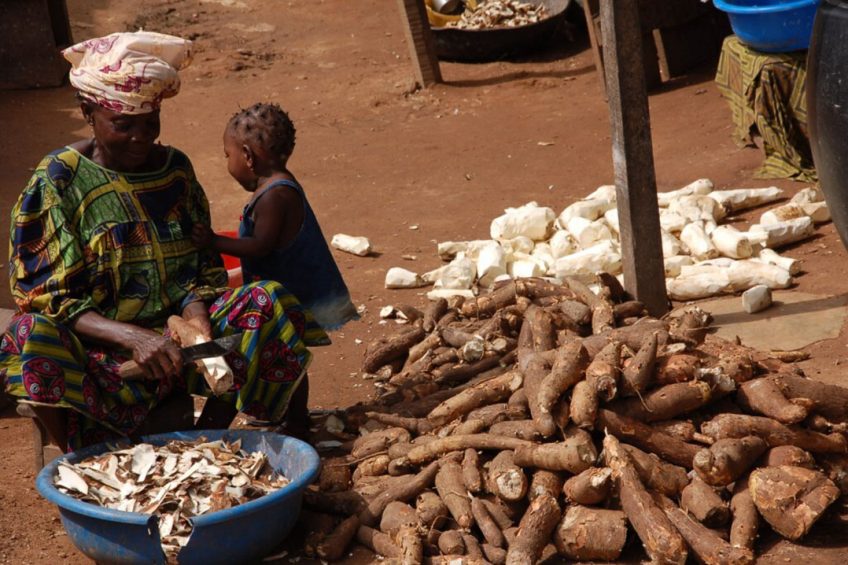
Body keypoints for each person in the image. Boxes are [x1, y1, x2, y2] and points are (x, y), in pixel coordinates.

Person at [0, 31, 328, 451]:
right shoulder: (58, 181)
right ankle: (84, 458)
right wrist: (135, 339)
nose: (142, 137)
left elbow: (199, 266)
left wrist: (197, 326)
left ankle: (210, 436)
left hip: (179, 347)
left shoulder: (174, 170)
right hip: (102, 355)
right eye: (123, 125)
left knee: (268, 301)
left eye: (150, 123)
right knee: (29, 334)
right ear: (88, 113)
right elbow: (49, 298)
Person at [191, 103, 359, 332]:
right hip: (286, 290)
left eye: (228, 155)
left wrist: (212, 241)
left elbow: (260, 246)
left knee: (282, 351)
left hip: (294, 297)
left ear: (247, 156)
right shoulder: (274, 187)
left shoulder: (275, 195)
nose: (228, 163)